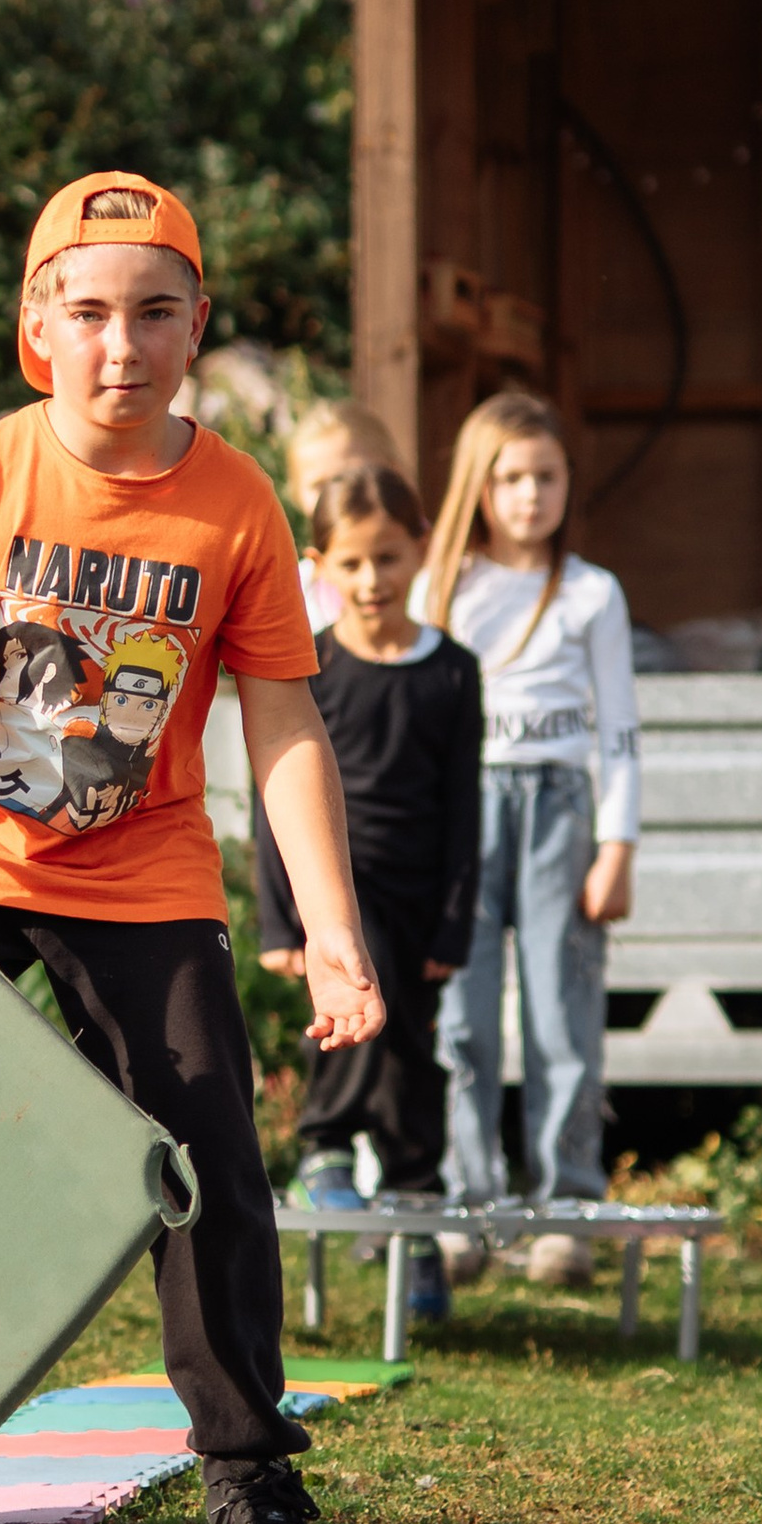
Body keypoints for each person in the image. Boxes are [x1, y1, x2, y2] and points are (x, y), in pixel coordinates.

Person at [0, 170, 385, 1524]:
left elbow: (285, 729)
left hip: (146, 873)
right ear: (38, 326)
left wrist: (337, 932)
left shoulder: (238, 508)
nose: (123, 345)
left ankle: (247, 1472)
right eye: (93, 313)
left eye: (157, 314)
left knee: (206, 1165)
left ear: (196, 329)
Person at [413, 388, 640, 1288]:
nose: (529, 496)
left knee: (561, 1010)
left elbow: (620, 726)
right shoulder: (444, 585)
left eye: (546, 476)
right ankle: (469, 1207)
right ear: (480, 483)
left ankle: (566, 1209)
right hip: (463, 811)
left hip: (559, 807)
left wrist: (617, 843)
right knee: (462, 1017)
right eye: (510, 477)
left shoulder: (592, 593)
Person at [257, 461, 481, 1325]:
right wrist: (286, 919)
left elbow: (464, 810)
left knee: (414, 1057)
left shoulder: (452, 671)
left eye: (387, 559)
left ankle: (416, 1223)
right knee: (353, 1016)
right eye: (350, 564)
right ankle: (325, 1148)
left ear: (420, 552)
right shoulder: (309, 665)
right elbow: (277, 796)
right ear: (319, 567)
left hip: (422, 899)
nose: (371, 580)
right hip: (339, 896)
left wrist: (456, 925)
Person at [286, 397, 407, 631]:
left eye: (351, 476)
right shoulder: (291, 593)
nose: (337, 496)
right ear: (297, 495)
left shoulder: (439, 580)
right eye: (319, 486)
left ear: (393, 473)